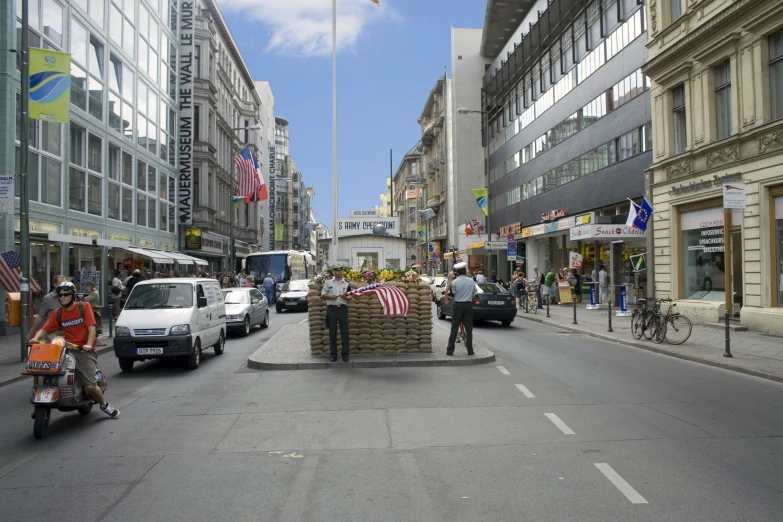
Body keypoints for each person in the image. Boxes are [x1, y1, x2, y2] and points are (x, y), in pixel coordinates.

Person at [28, 281, 119, 418]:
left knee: (89, 385)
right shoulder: (58, 313)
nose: (63, 297)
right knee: (45, 370)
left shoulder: (84, 307)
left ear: (73, 295)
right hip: (66, 349)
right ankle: (41, 402)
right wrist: (36, 338)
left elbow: (91, 328)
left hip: (83, 350)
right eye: (60, 295)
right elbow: (45, 329)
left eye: (66, 294)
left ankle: (104, 405)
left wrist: (88, 345)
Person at [321, 265, 352, 362]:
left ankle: (345, 354)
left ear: (342, 271)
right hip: (332, 309)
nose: (338, 272)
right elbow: (322, 295)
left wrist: (345, 298)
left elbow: (350, 297)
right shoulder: (328, 282)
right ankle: (333, 354)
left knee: (344, 332)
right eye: (336, 271)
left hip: (342, 309)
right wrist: (330, 297)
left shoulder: (346, 283)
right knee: (332, 332)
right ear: (333, 272)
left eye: (340, 270)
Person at [445, 262, 475, 356]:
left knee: (454, 328)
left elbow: (452, 293)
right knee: (469, 328)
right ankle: (470, 350)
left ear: (457, 272)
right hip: (468, 305)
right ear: (465, 271)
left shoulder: (455, 282)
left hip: (458, 306)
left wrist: (448, 297)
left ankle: (450, 350)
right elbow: (474, 293)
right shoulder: (471, 281)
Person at [26, 275, 67, 341]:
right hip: (53, 332)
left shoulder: (70, 297)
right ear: (55, 285)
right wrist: (31, 332)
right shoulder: (48, 299)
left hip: (67, 331)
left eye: (66, 283)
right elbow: (40, 316)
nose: (65, 286)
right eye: (62, 284)